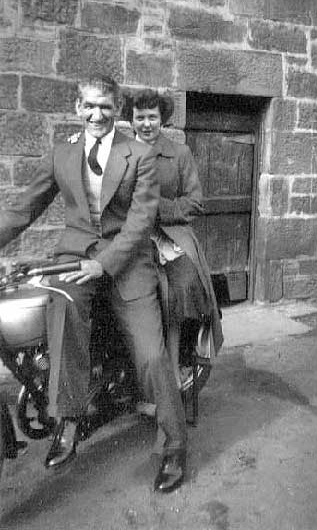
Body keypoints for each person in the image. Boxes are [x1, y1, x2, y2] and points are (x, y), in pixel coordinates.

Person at [0, 75, 186, 494]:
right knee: (61, 305)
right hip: (73, 256)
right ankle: (67, 421)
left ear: (118, 110)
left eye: (105, 106)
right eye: (89, 106)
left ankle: (175, 445)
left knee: (152, 355)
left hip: (126, 262)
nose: (97, 114)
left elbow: (139, 224)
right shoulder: (62, 153)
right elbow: (22, 207)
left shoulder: (138, 154)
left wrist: (104, 264)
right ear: (77, 107)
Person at [123, 90, 223, 388]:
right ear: (131, 119)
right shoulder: (121, 153)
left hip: (170, 237)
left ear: (163, 119)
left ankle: (174, 366)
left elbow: (195, 202)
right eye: (139, 117)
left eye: (152, 117)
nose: (146, 124)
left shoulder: (180, 154)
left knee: (174, 293)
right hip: (132, 236)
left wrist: (158, 207)